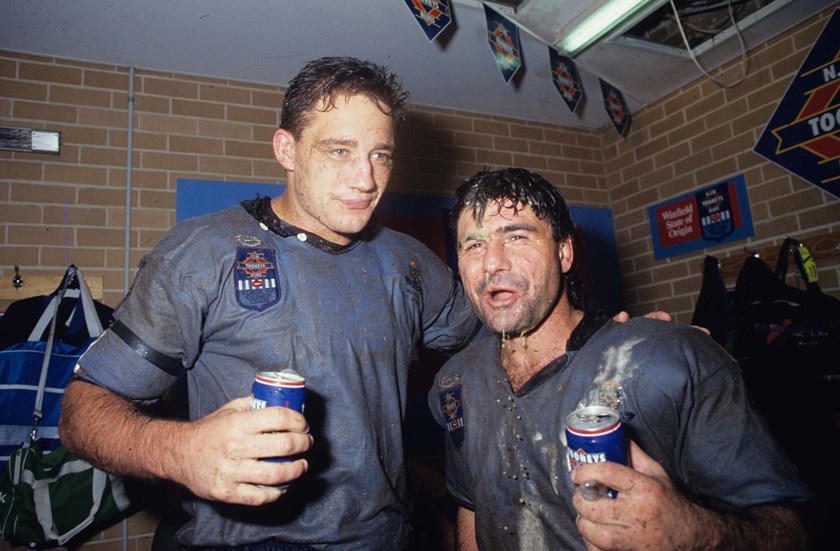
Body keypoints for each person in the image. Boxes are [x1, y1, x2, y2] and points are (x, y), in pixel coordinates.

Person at [59, 56, 483, 550]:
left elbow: (487, 345)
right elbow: (81, 413)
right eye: (339, 150)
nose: (365, 179)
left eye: (380, 155)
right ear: (287, 149)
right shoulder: (202, 253)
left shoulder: (410, 263)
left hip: (384, 538)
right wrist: (181, 450)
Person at [427, 167, 813, 551]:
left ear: (564, 252)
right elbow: (471, 506)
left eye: (516, 236)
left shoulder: (671, 360)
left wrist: (692, 533)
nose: (492, 262)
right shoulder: (456, 381)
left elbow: (791, 532)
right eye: (473, 245)